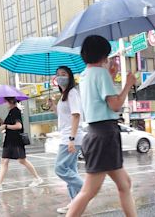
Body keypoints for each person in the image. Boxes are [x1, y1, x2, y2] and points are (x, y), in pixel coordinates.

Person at [66, 35, 137, 217]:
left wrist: (111, 76)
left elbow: (99, 97)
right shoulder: (100, 74)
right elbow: (114, 105)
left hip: (98, 133)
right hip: (105, 135)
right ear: (103, 55)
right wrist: (127, 85)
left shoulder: (85, 74)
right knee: (89, 191)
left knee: (124, 184)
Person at [48, 66, 84, 214]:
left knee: (60, 168)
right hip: (67, 136)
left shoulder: (72, 93)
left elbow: (76, 115)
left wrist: (71, 139)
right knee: (70, 170)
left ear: (70, 78)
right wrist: (53, 107)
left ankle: (86, 189)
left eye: (64, 74)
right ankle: (75, 203)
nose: (60, 76)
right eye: (58, 75)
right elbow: (65, 116)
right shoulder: (64, 96)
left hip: (71, 137)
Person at [0, 97, 43, 191]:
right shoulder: (11, 111)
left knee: (22, 160)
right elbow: (9, 126)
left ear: (11, 101)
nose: (5, 103)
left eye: (6, 101)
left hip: (15, 141)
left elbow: (18, 126)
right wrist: (3, 125)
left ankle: (37, 178)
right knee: (4, 161)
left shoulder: (16, 111)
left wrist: (6, 126)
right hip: (9, 140)